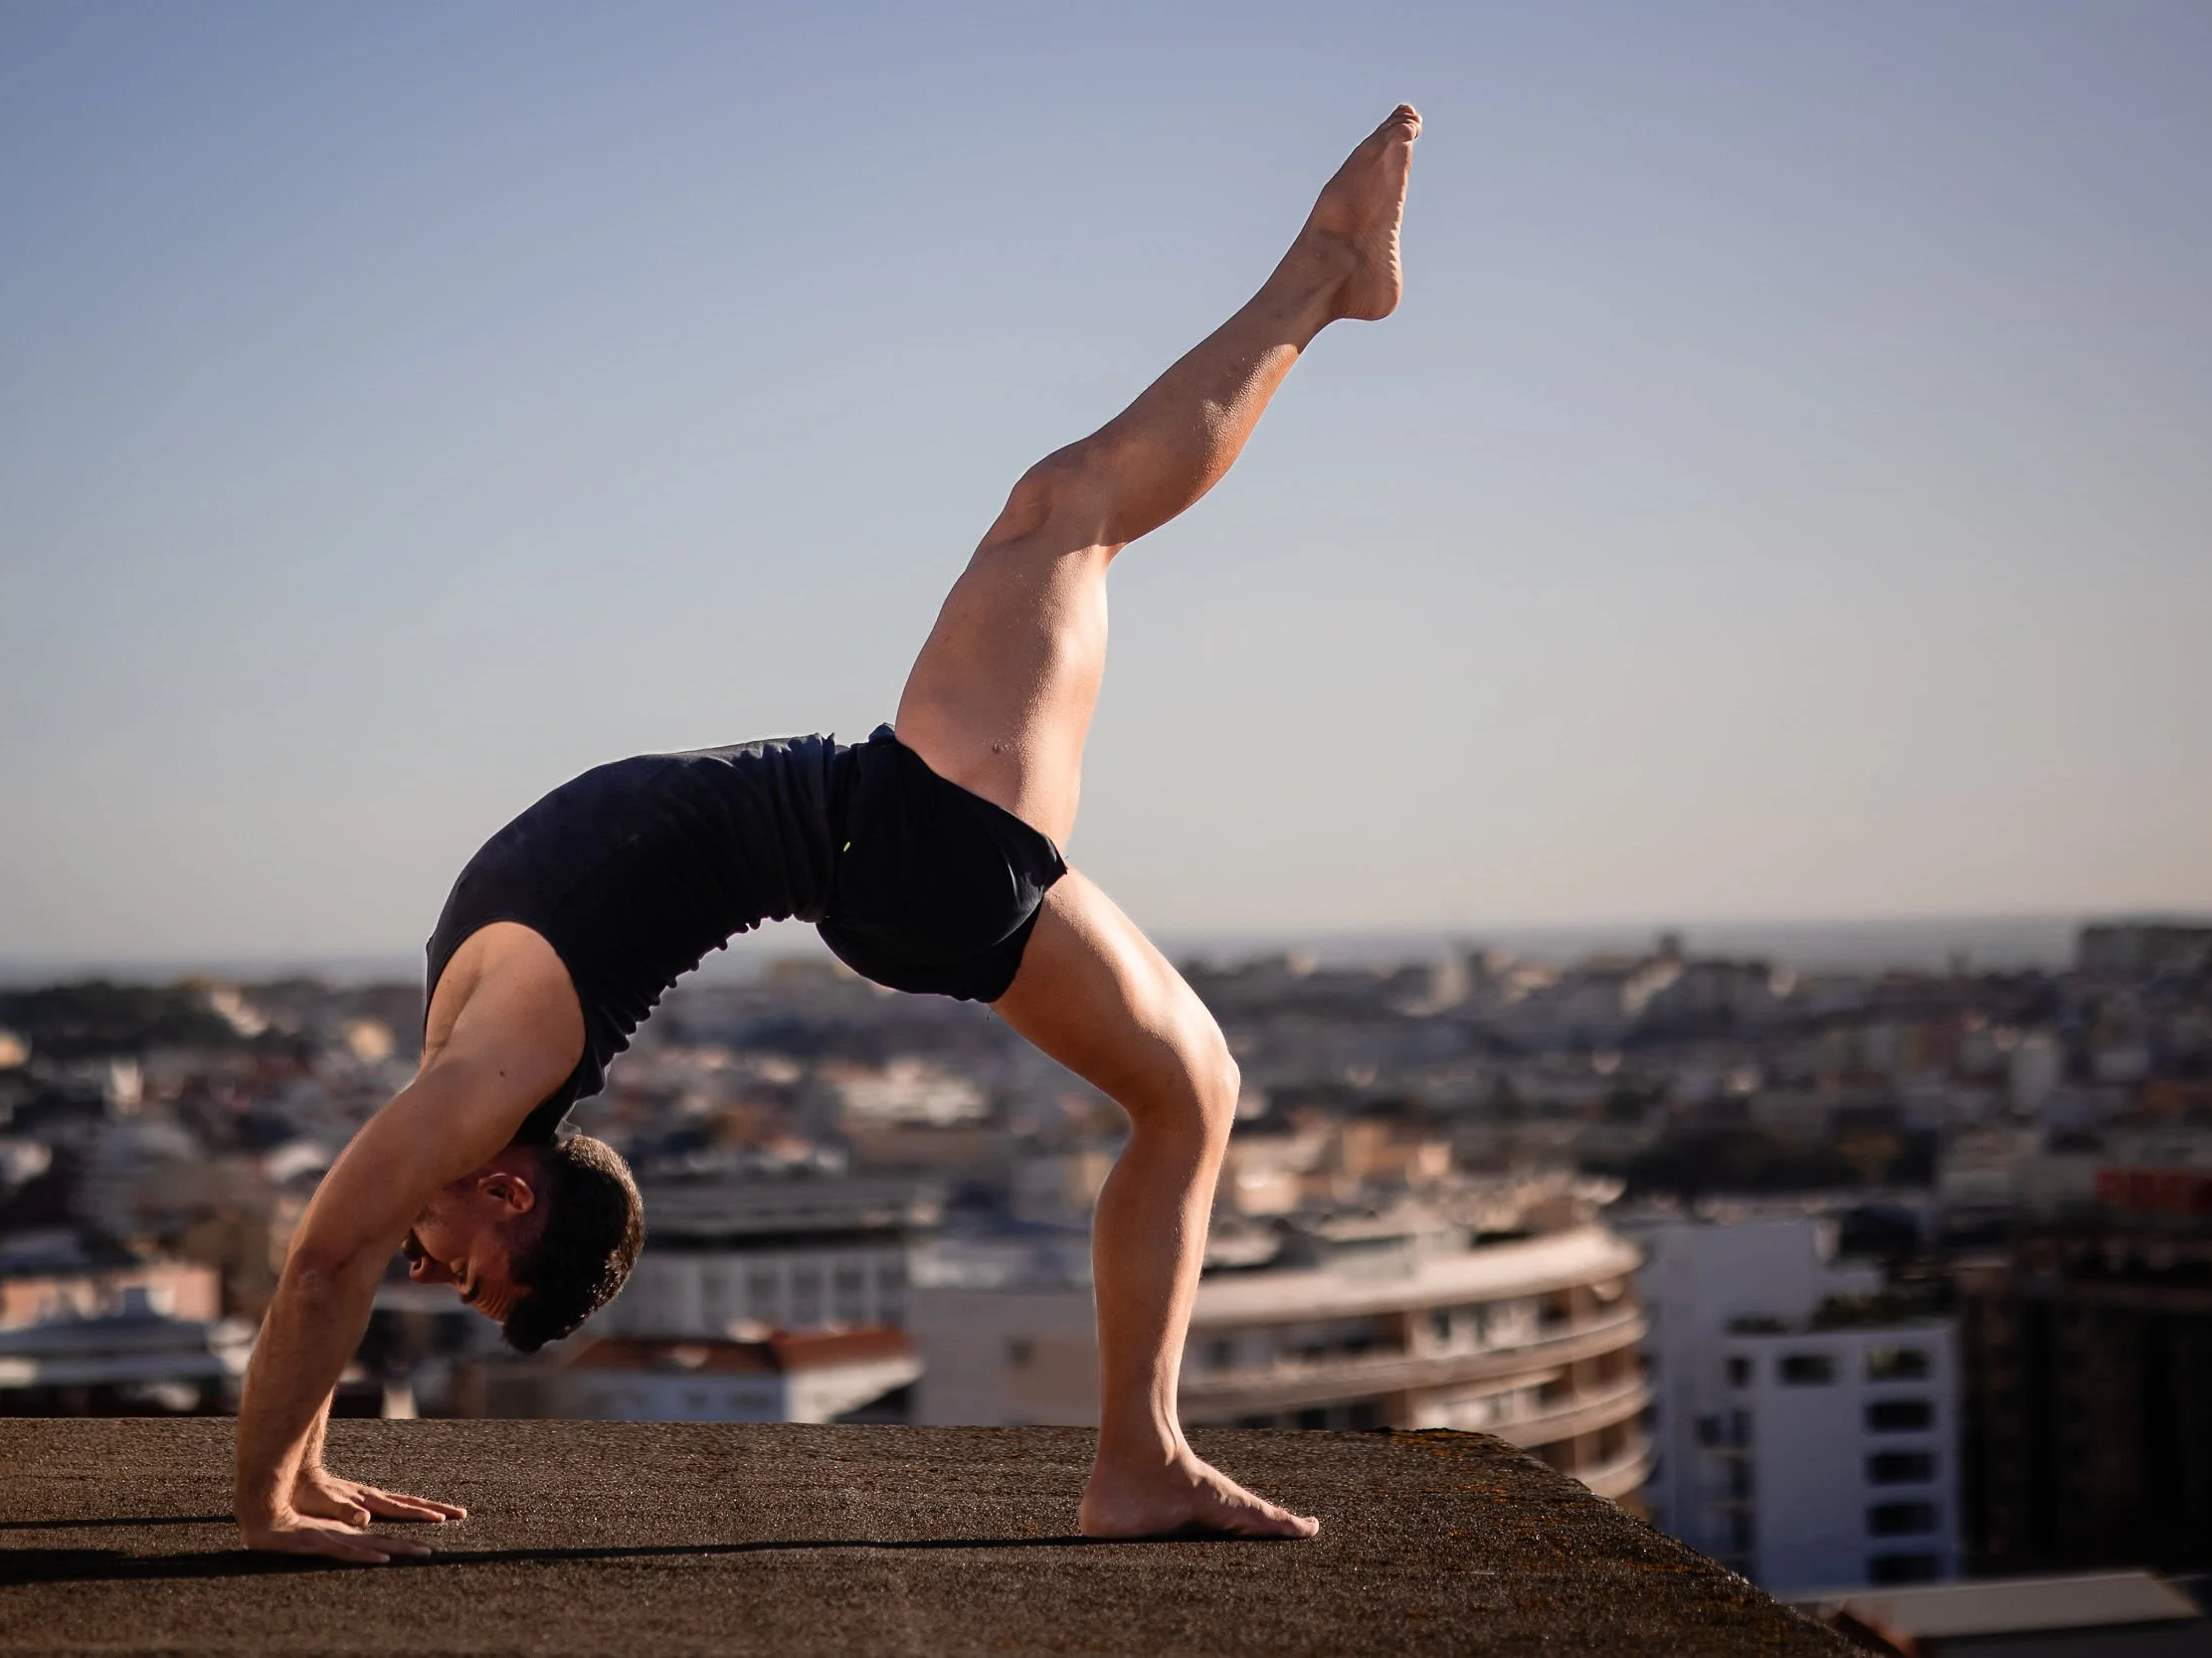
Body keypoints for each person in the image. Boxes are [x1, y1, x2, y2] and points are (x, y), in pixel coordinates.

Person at [234, 103, 1420, 1564]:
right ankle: (1322, 275)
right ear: (509, 1179)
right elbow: (325, 1264)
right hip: (901, 840)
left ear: (508, 1186)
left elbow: (327, 1261)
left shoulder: (483, 1063)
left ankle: (1139, 1463)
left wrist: (284, 1482)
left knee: (1197, 1085)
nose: (427, 1269)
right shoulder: (497, 1067)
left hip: (893, 849)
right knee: (1068, 510)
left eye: (457, 1275)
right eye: (464, 1279)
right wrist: (271, 1492)